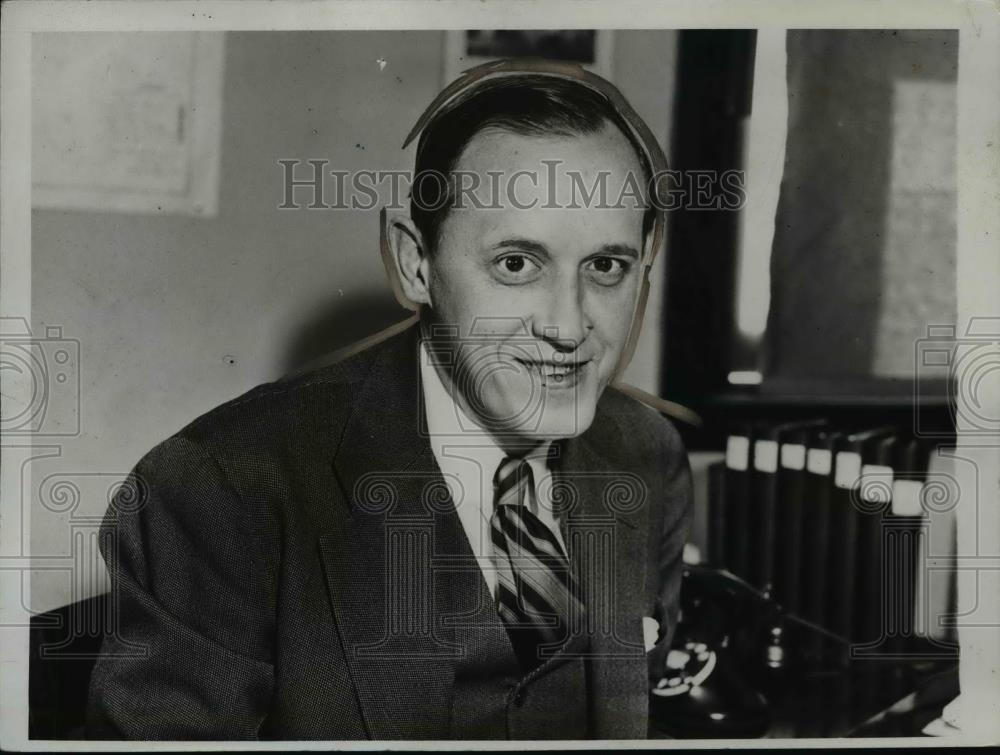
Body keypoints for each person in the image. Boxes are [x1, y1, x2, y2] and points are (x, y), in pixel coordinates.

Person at [86, 60, 692, 740]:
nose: (569, 325)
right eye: (516, 264)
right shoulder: (217, 489)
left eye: (606, 266)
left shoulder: (649, 455)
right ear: (414, 263)